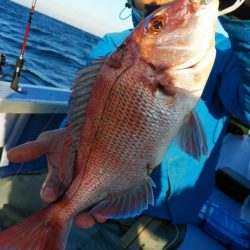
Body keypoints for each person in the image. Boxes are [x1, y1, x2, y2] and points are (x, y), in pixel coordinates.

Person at [1, 0, 250, 249]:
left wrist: (244, 13)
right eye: (159, 24)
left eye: (158, 25)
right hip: (77, 189)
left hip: (157, 220)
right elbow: (85, 113)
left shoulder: (228, 53)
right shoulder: (114, 44)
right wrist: (69, 137)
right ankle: (57, 217)